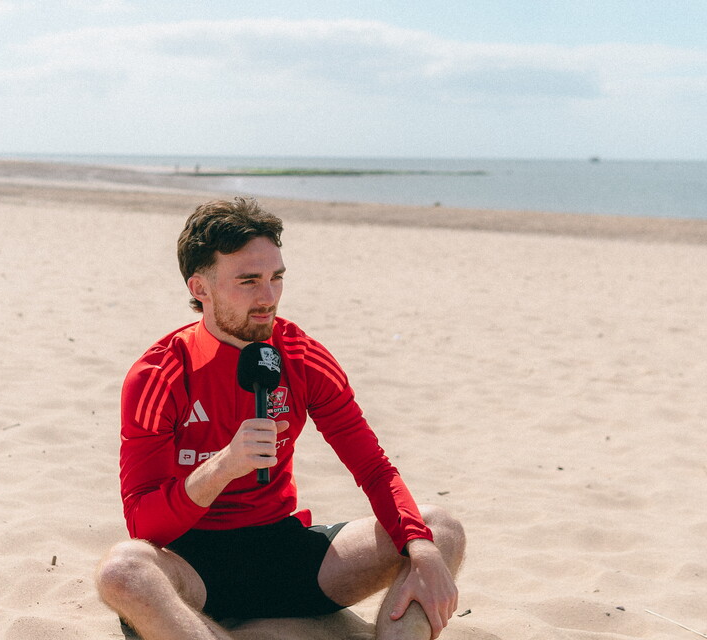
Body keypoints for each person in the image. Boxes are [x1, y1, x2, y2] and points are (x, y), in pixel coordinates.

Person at [96, 198, 465, 640]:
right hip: (192, 568)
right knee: (122, 571)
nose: (268, 297)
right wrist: (224, 465)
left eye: (276, 277)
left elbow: (373, 468)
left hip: (285, 553)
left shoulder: (302, 356)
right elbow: (144, 524)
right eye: (248, 281)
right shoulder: (159, 374)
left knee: (439, 530)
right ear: (200, 288)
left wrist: (419, 547)